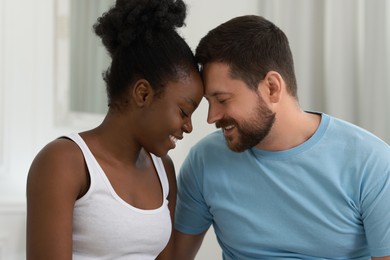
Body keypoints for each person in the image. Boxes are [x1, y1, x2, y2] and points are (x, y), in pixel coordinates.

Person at [173, 15, 390, 259]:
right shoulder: (204, 160)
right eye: (209, 102)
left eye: (222, 100)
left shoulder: (372, 163)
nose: (211, 117)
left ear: (272, 88)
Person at [26, 0, 203, 259]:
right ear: (143, 94)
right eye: (184, 112)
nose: (188, 126)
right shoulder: (64, 161)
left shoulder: (163, 169)